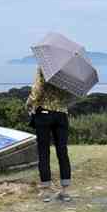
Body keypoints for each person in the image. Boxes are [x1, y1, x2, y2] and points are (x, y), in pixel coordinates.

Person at [26, 66, 75, 203]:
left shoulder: (46, 66)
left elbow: (37, 90)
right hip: (62, 115)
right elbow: (71, 95)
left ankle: (46, 192)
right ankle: (65, 191)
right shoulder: (69, 71)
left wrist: (29, 103)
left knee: (43, 152)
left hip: (44, 114)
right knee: (62, 151)